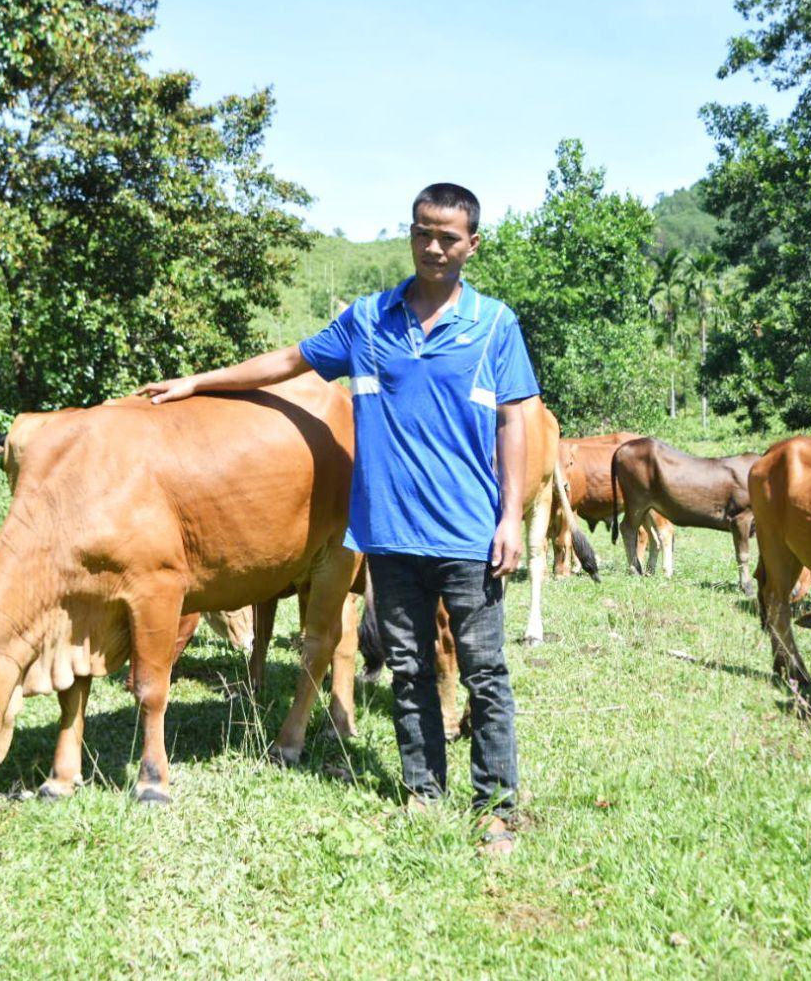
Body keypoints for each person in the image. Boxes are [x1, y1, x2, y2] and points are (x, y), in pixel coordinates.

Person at [139, 183, 541, 856]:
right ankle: (422, 789)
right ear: (410, 234)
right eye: (423, 232)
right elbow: (289, 362)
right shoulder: (369, 319)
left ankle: (496, 806)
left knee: (485, 672)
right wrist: (198, 382)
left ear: (473, 244)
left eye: (448, 236)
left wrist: (511, 517)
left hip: (471, 533)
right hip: (388, 532)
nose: (434, 246)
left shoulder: (495, 325)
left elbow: (513, 420)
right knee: (410, 669)